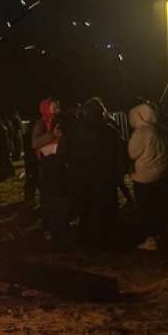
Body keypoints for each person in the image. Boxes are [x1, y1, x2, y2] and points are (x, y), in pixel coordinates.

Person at [58, 98, 126, 248]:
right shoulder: (111, 130)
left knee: (85, 211)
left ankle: (86, 240)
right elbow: (120, 158)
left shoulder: (74, 129)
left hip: (81, 178)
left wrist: (68, 167)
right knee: (103, 212)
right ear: (102, 113)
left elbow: (62, 153)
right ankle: (104, 241)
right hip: (104, 180)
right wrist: (118, 176)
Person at [128, 103, 168, 251]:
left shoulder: (142, 132)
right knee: (157, 206)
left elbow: (132, 153)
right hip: (160, 173)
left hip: (144, 176)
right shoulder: (160, 130)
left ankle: (150, 239)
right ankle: (159, 233)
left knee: (145, 208)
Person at [32, 97, 70, 246]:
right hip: (47, 166)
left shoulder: (63, 121)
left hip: (61, 165)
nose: (57, 111)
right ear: (46, 109)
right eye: (54, 108)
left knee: (62, 197)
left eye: (58, 108)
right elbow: (35, 143)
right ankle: (48, 228)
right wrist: (52, 135)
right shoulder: (41, 124)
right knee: (49, 198)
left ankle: (62, 228)